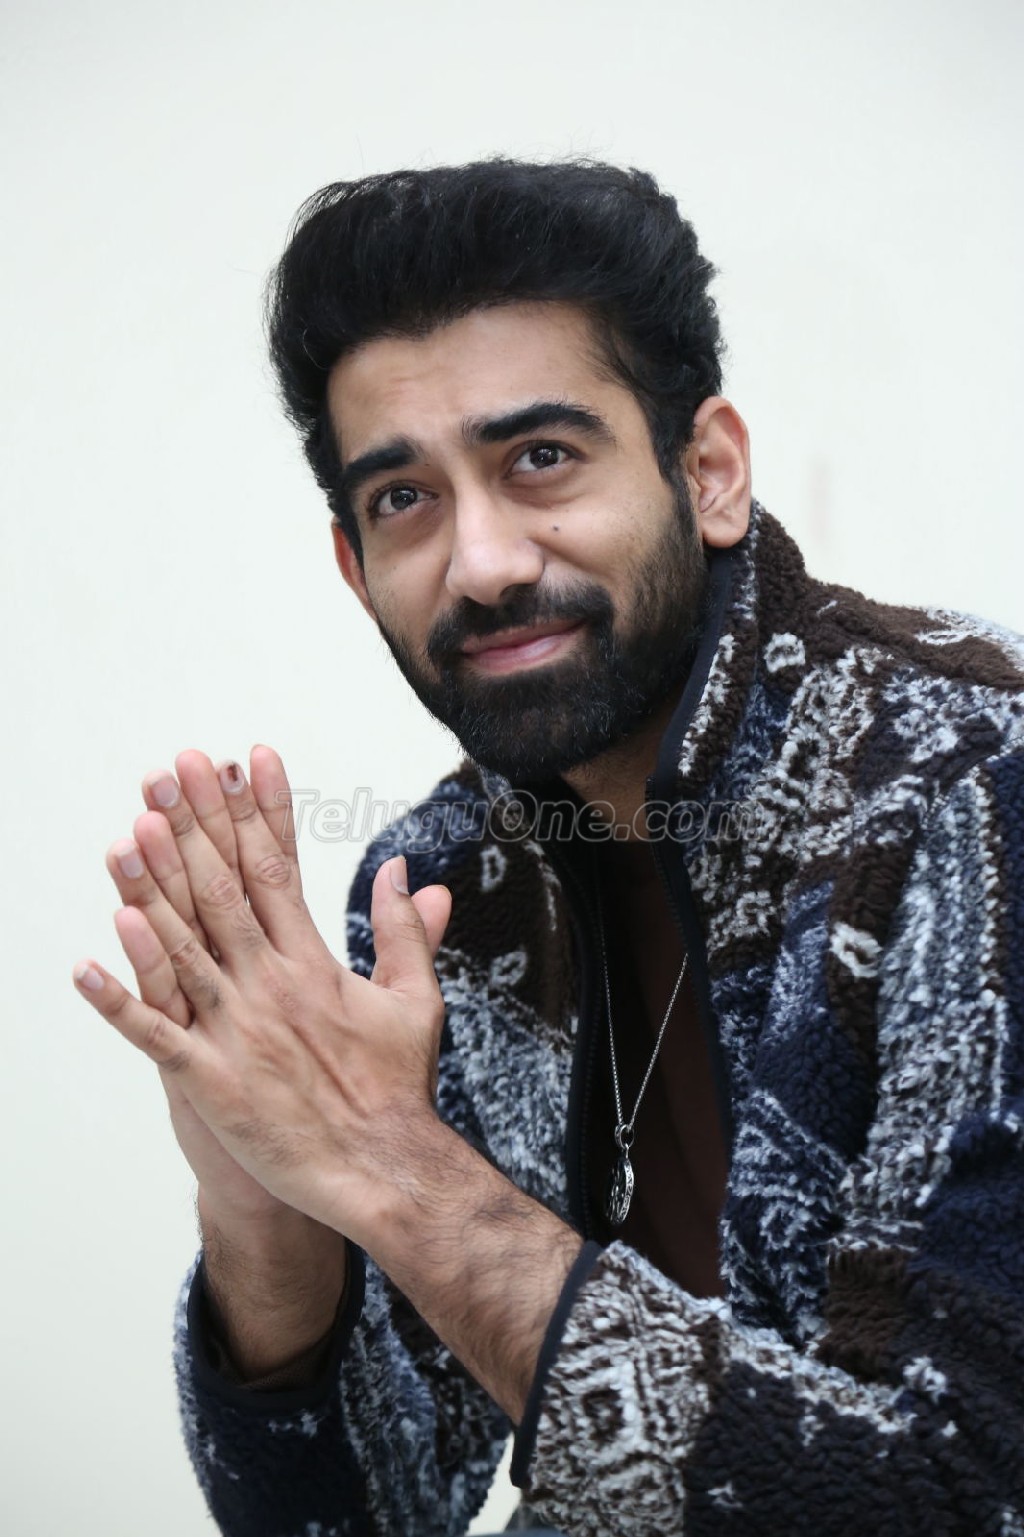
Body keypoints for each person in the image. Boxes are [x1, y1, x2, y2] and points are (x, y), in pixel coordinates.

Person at [74, 161, 1024, 1537]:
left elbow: (967, 1493)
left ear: (707, 472)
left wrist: (396, 1169)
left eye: (540, 460)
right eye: (403, 497)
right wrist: (266, 1198)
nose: (483, 563)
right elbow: (362, 1516)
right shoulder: (440, 886)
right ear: (353, 567)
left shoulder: (974, 783)